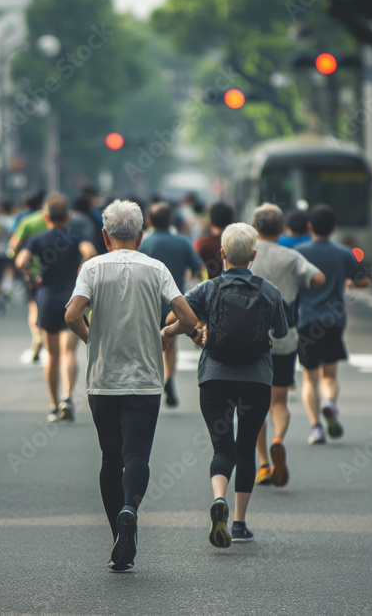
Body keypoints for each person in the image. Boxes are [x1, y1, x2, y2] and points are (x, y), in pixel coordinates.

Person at [65, 199, 197, 573]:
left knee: (110, 457)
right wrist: (166, 331)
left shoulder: (92, 267)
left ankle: (118, 537)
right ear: (140, 235)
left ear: (105, 236)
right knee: (136, 455)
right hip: (144, 379)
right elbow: (188, 317)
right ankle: (130, 509)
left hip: (102, 379)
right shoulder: (156, 269)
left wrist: (92, 339)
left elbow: (72, 314)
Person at [174, 223, 288, 546]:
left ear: (222, 255)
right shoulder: (268, 291)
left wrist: (194, 333)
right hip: (256, 380)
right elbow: (281, 333)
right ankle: (239, 523)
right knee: (247, 445)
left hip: (214, 378)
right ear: (253, 256)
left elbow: (177, 314)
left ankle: (218, 498)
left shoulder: (207, 290)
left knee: (222, 447)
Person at [248, 204, 325, 486]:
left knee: (256, 403)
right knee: (278, 401)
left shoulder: (248, 254)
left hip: (250, 336)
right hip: (284, 334)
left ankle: (264, 464)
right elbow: (318, 278)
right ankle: (278, 440)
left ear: (254, 228)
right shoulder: (292, 256)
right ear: (282, 229)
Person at [16, 194, 97, 422]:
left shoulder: (38, 240)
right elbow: (90, 252)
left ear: (46, 216)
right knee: (69, 352)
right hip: (73, 299)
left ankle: (53, 405)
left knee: (51, 355)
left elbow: (21, 261)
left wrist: (32, 277)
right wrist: (83, 270)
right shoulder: (78, 235)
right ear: (69, 216)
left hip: (46, 299)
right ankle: (67, 398)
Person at [295, 204, 370, 445]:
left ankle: (316, 427)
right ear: (334, 228)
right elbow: (364, 280)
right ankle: (330, 403)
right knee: (330, 375)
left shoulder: (299, 252)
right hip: (334, 320)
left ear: (310, 227)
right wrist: (350, 283)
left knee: (310, 378)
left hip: (306, 319)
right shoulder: (344, 253)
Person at [138, 202, 204, 407]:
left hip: (146, 304)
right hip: (173, 304)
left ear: (148, 221)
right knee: (171, 342)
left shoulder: (142, 244)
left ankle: (150, 382)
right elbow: (197, 269)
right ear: (170, 221)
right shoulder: (182, 243)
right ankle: (169, 379)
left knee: (147, 344)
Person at [9, 195, 49, 362]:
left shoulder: (27, 221)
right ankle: (47, 338)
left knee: (33, 306)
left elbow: (14, 245)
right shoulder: (54, 221)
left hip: (32, 272)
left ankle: (37, 335)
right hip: (54, 272)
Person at [194, 202, 235, 279]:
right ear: (232, 221)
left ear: (210, 222)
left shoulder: (201, 244)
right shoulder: (236, 243)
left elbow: (194, 272)